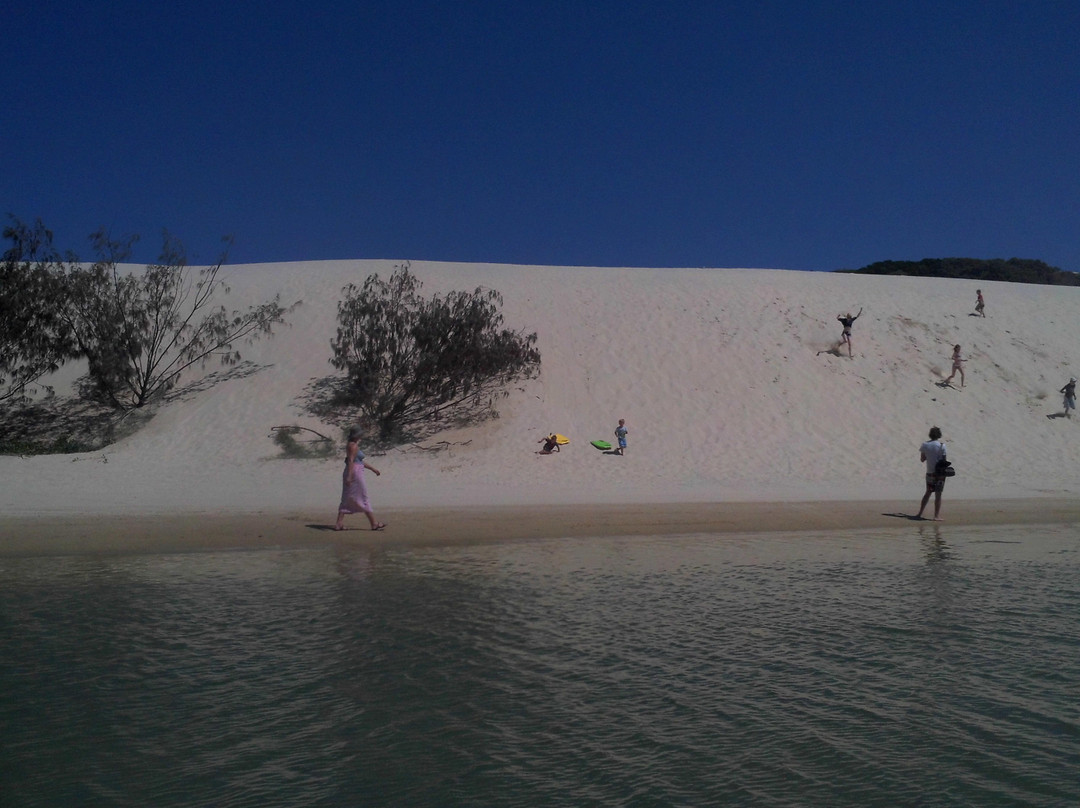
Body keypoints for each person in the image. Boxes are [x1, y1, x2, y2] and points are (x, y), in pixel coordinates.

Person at [335, 428, 385, 531]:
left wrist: (373, 469)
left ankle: (339, 523)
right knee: (363, 497)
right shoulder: (353, 446)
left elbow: (359, 461)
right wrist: (349, 476)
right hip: (355, 473)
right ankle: (374, 523)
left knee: (347, 497)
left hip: (355, 470)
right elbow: (351, 461)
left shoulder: (352, 445)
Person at [916, 426, 947, 521]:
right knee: (938, 494)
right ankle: (936, 516)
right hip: (940, 474)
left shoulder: (925, 445)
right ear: (939, 435)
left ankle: (920, 513)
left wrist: (929, 456)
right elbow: (944, 460)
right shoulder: (942, 446)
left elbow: (922, 459)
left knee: (928, 492)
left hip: (930, 472)